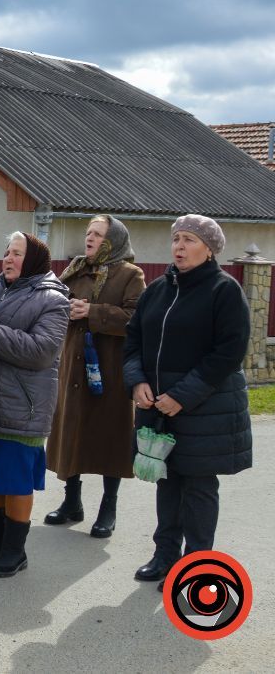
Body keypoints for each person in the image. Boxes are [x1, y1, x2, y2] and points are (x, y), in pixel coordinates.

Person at [124, 214, 251, 589]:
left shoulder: (224, 290)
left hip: (204, 407)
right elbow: (133, 340)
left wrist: (182, 395)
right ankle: (164, 556)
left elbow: (228, 352)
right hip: (157, 406)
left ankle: (195, 565)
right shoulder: (157, 290)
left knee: (197, 486)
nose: (179, 246)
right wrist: (137, 381)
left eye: (189, 240)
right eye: (176, 238)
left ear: (209, 249)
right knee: (167, 481)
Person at [0, 233, 69, 577]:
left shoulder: (53, 299)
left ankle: (14, 550)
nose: (8, 258)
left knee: (15, 480)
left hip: (23, 406)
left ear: (33, 260)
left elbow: (41, 351)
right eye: (7, 252)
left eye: (17, 253)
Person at [45, 215, 146, 537]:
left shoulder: (130, 274)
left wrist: (93, 312)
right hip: (72, 367)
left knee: (109, 437)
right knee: (71, 433)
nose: (90, 238)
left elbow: (137, 318)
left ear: (113, 241)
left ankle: (108, 508)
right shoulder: (74, 270)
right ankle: (71, 502)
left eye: (98, 234)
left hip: (109, 370)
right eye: (88, 232)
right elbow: (54, 306)